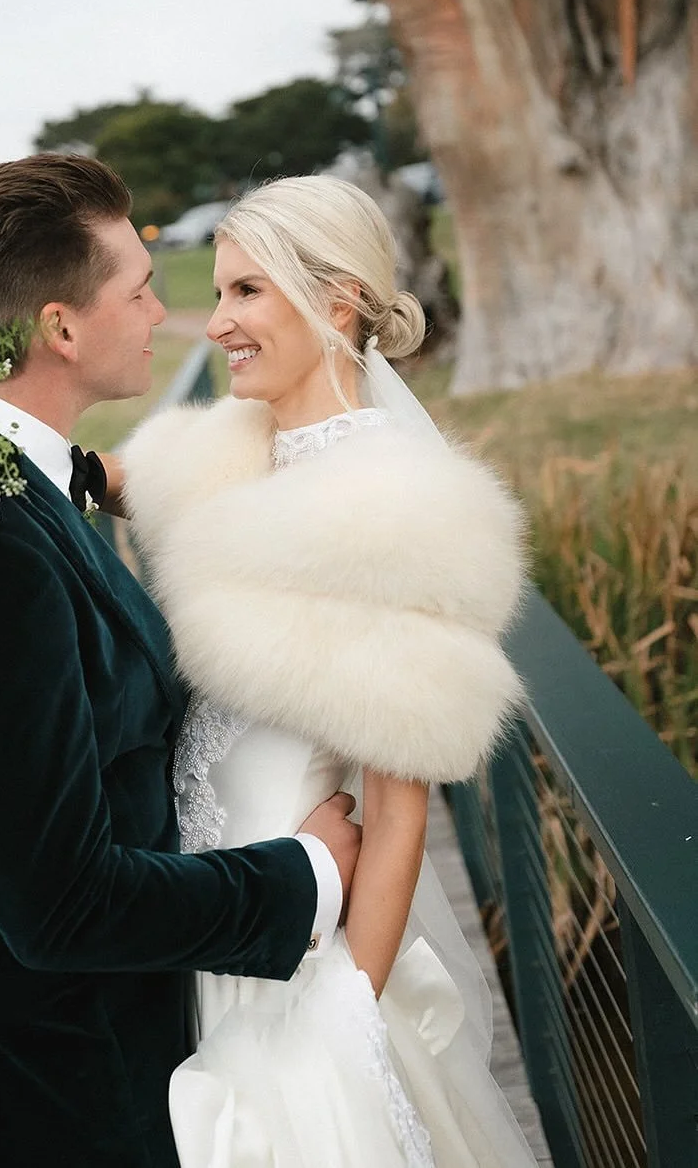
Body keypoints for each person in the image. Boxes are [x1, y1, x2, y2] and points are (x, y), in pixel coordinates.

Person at [0, 155, 363, 1168]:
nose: (167, 317)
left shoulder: (11, 483)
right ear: (62, 329)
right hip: (45, 1099)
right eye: (138, 289)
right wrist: (307, 878)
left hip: (99, 1050)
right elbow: (58, 904)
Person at [120, 175, 539, 1166]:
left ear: (336, 299)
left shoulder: (394, 513)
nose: (215, 322)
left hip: (309, 954)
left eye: (244, 293)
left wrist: (349, 1010)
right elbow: (122, 483)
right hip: (207, 917)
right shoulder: (225, 461)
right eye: (217, 293)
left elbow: (396, 813)